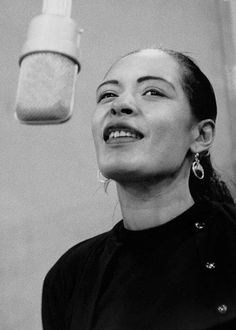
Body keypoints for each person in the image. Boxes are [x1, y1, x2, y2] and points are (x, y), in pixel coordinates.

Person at [42, 48, 236, 330]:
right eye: (108, 95)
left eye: (153, 92)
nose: (120, 105)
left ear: (201, 135)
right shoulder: (70, 276)